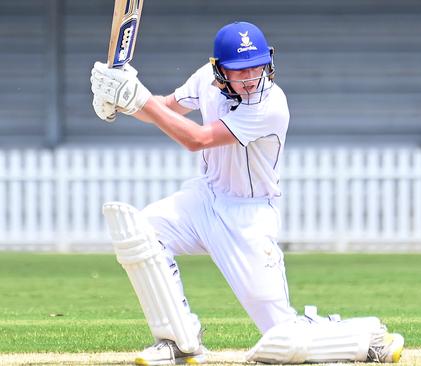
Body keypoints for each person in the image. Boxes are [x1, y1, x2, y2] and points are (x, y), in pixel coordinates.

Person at [90, 21, 404, 365]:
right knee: (142, 230)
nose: (251, 76)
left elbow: (197, 139)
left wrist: (137, 97)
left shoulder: (271, 104)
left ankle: (364, 339)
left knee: (282, 337)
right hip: (203, 200)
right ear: (218, 70)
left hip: (249, 217)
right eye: (239, 70)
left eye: (256, 65)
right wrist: (122, 103)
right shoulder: (203, 81)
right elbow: (166, 108)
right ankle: (178, 340)